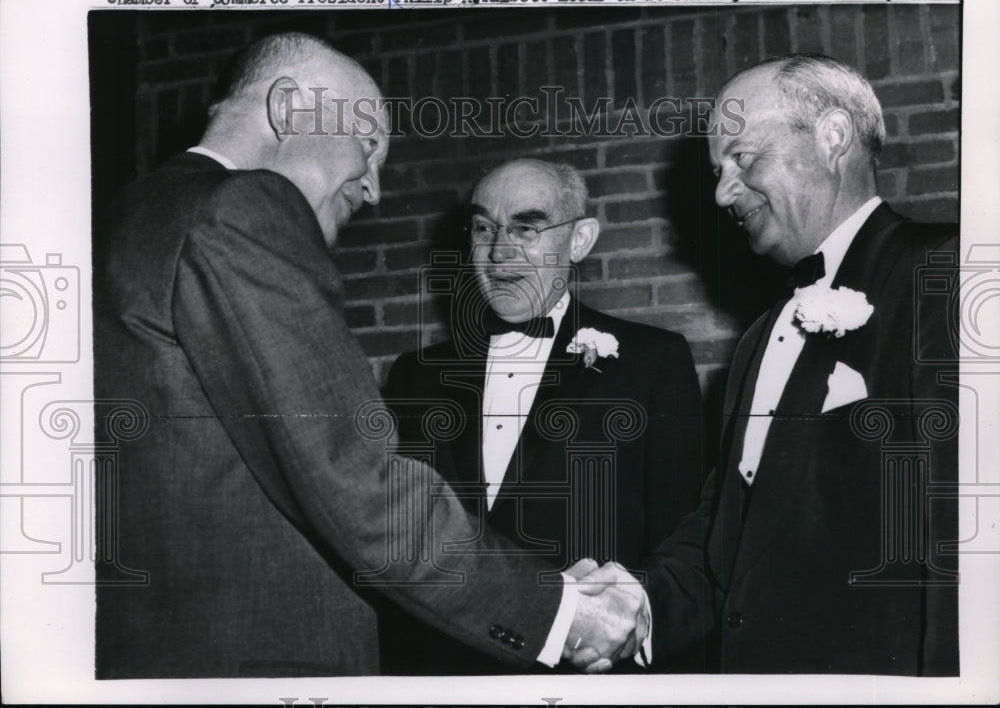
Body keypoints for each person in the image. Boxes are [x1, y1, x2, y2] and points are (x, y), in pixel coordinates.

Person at [93, 33, 646, 678]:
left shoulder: (119, 217)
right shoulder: (241, 209)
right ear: (291, 109)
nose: (376, 188)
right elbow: (354, 476)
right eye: (368, 146)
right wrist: (556, 612)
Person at [575, 54, 959, 675]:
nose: (723, 191)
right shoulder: (759, 338)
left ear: (833, 137)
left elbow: (967, 541)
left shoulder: (944, 275)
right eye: (718, 170)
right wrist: (635, 608)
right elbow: (729, 532)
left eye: (743, 157)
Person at [379, 159, 705, 674]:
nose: (500, 250)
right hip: (443, 675)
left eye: (526, 227)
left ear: (579, 241)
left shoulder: (651, 361)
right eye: (484, 228)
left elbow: (680, 544)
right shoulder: (415, 377)